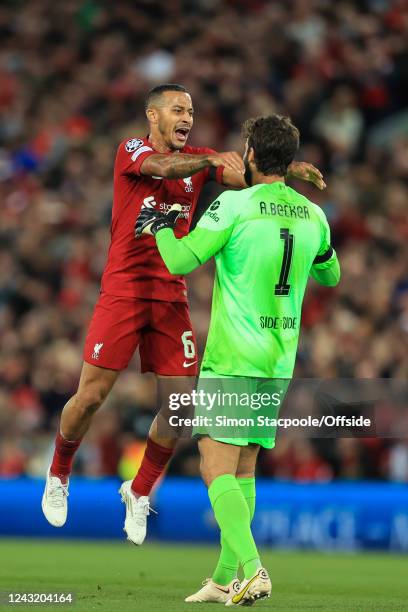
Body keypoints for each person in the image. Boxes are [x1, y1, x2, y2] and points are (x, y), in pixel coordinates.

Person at [41, 83, 325, 547]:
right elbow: (162, 166)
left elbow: (255, 179)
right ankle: (58, 472)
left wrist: (288, 168)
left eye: (191, 110)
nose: (187, 117)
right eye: (177, 109)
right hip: (124, 291)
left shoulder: (202, 159)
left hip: (170, 294)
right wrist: (211, 162)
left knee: (178, 410)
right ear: (153, 115)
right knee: (91, 396)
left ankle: (137, 491)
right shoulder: (132, 150)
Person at [135, 114, 340, 605]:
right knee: (243, 468)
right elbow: (330, 275)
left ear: (250, 154)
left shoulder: (235, 204)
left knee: (214, 465)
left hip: (234, 358)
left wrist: (162, 227)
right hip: (279, 361)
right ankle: (226, 575)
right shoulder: (314, 215)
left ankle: (253, 569)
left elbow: (182, 260)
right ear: (289, 160)